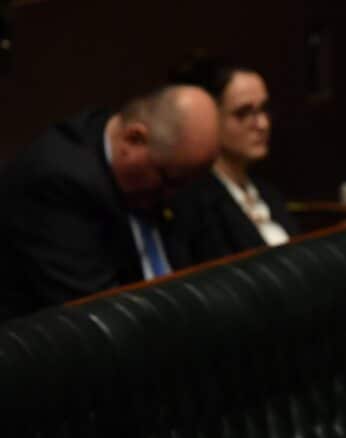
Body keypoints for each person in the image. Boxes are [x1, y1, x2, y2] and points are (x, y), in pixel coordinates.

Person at [0, 84, 219, 321]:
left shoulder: (169, 164)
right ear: (134, 139)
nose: (174, 196)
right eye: (170, 182)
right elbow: (99, 316)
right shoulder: (56, 182)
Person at [169, 57, 299, 263]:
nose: (263, 124)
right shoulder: (195, 205)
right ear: (209, 118)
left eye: (264, 108)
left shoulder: (267, 192)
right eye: (244, 113)